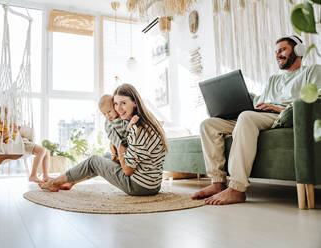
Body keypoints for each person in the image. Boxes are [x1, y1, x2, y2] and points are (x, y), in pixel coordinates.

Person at [192, 35, 321, 205]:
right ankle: (217, 182)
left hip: (282, 115)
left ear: (299, 50)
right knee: (209, 125)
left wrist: (278, 108)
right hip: (260, 115)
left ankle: (237, 188)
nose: (278, 55)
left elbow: (315, 98)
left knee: (246, 117)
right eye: (276, 52)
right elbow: (258, 104)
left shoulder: (312, 71)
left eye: (282, 50)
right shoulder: (273, 79)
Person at [39, 83, 168, 195]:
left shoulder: (137, 128)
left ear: (135, 102)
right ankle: (71, 181)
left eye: (123, 103)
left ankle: (54, 183)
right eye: (116, 104)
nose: (118, 108)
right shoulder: (146, 121)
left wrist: (119, 147)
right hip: (154, 185)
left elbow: (128, 170)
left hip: (139, 186)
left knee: (94, 161)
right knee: (106, 156)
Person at [98, 94, 139, 162]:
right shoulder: (108, 123)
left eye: (109, 111)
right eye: (104, 114)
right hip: (117, 146)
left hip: (127, 146)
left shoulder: (122, 117)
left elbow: (127, 131)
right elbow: (111, 136)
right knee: (105, 155)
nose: (107, 115)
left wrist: (131, 123)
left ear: (115, 106)